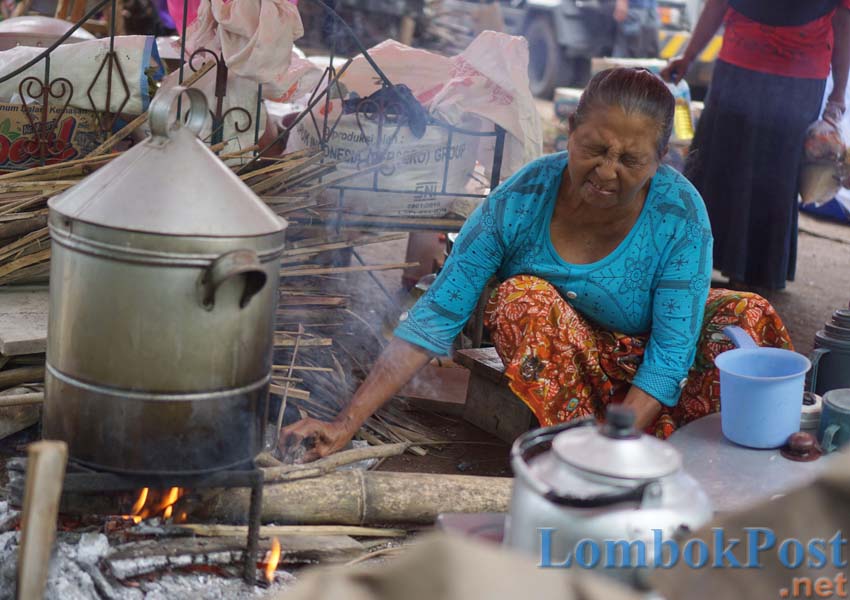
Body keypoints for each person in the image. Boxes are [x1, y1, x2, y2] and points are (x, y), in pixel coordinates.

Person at [280, 68, 792, 461]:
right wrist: (345, 422)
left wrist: (618, 437)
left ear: (661, 160)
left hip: (658, 363)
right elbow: (437, 314)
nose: (607, 172)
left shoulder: (680, 214)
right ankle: (575, 451)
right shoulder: (521, 199)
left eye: (631, 160)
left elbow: (671, 354)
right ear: (569, 131)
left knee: (745, 316)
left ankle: (694, 456)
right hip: (574, 366)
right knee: (523, 298)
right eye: (595, 148)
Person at [662, 0, 850, 290]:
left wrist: (838, 95)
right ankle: (748, 271)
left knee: (733, 171)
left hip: (777, 74)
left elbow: (843, 20)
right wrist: (687, 57)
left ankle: (724, 267)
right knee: (739, 171)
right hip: (758, 71)